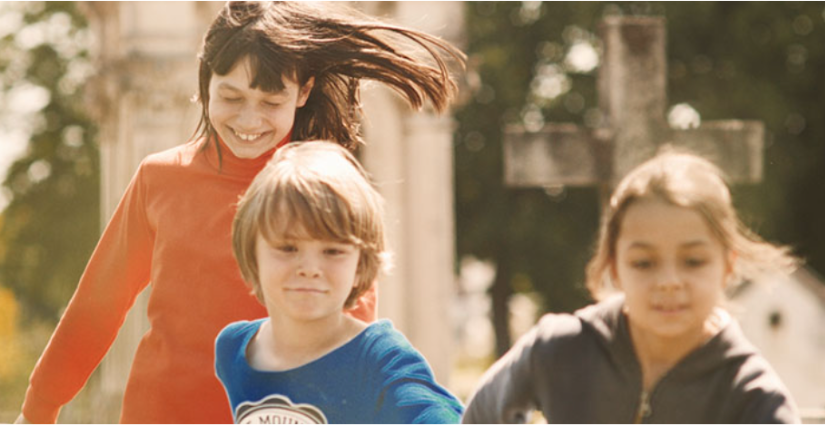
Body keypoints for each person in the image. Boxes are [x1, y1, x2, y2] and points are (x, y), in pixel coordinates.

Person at [17, 2, 464, 423]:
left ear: (303, 91)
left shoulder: (326, 187)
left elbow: (352, 328)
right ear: (205, 82)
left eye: (270, 103)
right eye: (231, 97)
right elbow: (96, 308)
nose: (249, 120)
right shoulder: (159, 179)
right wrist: (37, 410)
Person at [462, 150, 801, 424]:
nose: (669, 282)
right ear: (614, 266)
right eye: (644, 263)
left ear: (728, 266)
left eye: (693, 261)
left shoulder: (754, 398)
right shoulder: (559, 349)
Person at [216, 141, 464, 424]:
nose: (309, 269)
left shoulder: (380, 358)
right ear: (252, 253)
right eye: (287, 248)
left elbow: (434, 414)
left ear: (360, 264)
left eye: (332, 251)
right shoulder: (233, 348)